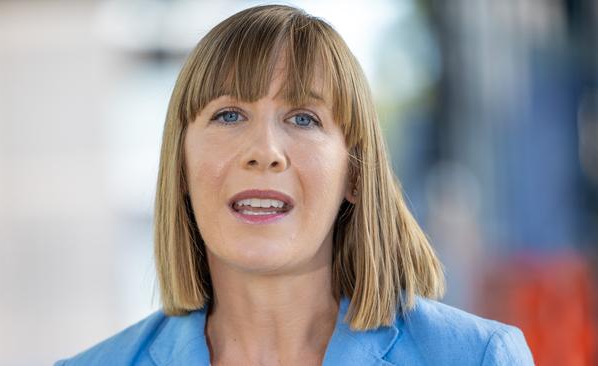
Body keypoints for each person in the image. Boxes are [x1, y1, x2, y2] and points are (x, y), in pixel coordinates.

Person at [55, 4, 534, 365]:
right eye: (228, 114)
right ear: (179, 166)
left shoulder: (478, 357)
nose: (264, 150)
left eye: (303, 118)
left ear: (355, 173)